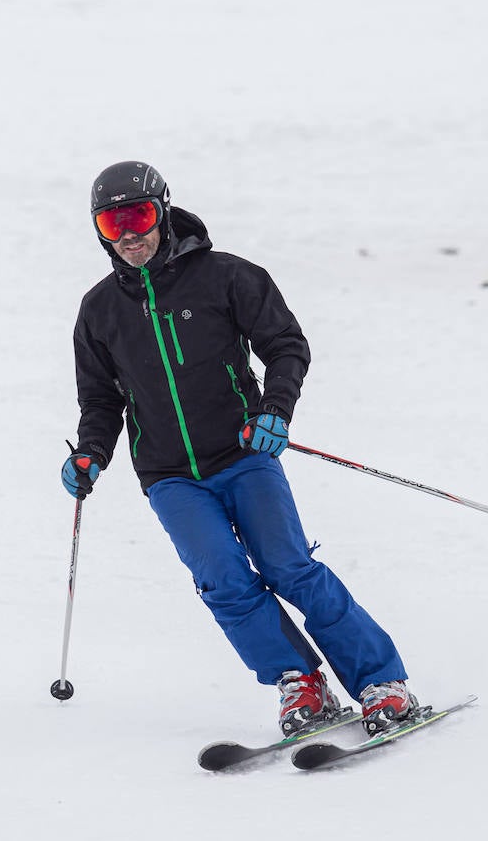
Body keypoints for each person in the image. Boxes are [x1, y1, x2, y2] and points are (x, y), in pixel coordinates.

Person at [62, 161, 416, 737]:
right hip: (168, 474)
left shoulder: (227, 277)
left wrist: (274, 410)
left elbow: (285, 345)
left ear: (165, 212)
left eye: (139, 216)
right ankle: (298, 682)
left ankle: (383, 682)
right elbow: (100, 398)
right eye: (111, 224)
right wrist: (90, 453)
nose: (129, 235)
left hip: (244, 453)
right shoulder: (99, 310)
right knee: (223, 581)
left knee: (289, 567)